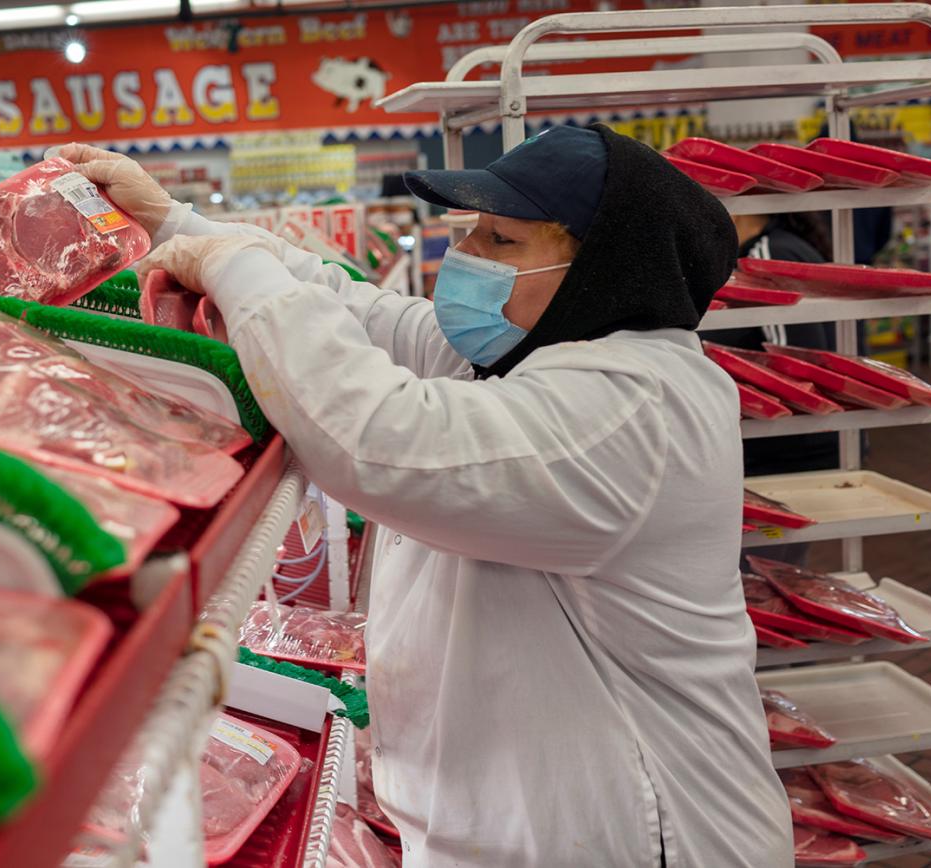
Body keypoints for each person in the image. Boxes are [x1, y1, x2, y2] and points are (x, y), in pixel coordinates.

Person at [54, 125, 792, 867]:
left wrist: (237, 267)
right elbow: (357, 312)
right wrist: (173, 224)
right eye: (469, 230)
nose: (465, 255)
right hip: (510, 829)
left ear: (604, 272)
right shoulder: (516, 354)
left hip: (639, 842)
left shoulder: (633, 406)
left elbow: (377, 444)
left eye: (501, 240)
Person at [702, 211, 837, 567]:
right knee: (773, 573)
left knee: (759, 574)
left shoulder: (765, 256)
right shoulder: (772, 249)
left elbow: (792, 370)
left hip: (785, 453)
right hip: (797, 449)